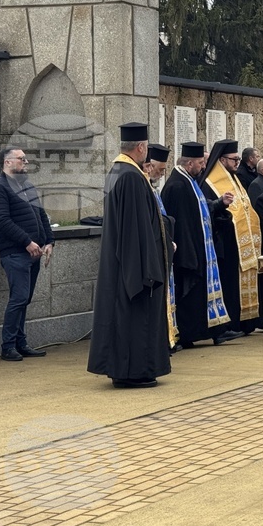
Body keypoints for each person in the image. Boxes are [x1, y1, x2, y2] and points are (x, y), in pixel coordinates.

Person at [88, 123, 171, 389]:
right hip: (133, 268)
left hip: (121, 263)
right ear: (141, 147)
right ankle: (134, 372)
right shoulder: (132, 177)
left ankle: (124, 370)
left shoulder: (118, 171)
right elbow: (136, 229)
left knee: (122, 319)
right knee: (134, 319)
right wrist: (146, 271)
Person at [160, 142, 237, 349]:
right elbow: (181, 224)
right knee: (189, 296)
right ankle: (188, 334)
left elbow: (199, 211)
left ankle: (208, 331)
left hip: (199, 248)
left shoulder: (189, 182)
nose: (204, 166)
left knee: (199, 295)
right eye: (201, 163)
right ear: (190, 163)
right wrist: (190, 255)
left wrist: (219, 204)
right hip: (188, 252)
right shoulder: (177, 186)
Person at [0, 147, 55, 362]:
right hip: (16, 253)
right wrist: (26, 242)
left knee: (25, 299)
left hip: (35, 252)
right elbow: (2, 221)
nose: (26, 162)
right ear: (7, 162)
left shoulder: (27, 185)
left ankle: (21, 343)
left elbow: (41, 214)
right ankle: (8, 347)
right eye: (21, 159)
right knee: (18, 298)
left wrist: (49, 241)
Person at [200, 139, 263, 334]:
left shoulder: (235, 179)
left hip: (238, 245)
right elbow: (208, 212)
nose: (237, 163)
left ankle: (245, 323)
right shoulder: (210, 183)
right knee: (229, 284)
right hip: (224, 243)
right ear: (222, 160)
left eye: (238, 159)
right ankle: (230, 324)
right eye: (234, 159)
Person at [145, 144, 178, 351]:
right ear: (149, 166)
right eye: (160, 169)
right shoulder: (143, 189)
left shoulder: (154, 189)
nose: (162, 173)